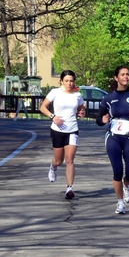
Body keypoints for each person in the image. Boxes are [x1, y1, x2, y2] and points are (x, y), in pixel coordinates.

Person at [96, 65, 129, 214]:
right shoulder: (108, 98)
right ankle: (120, 202)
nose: (126, 77)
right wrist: (103, 120)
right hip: (113, 138)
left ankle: (126, 185)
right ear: (116, 78)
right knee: (117, 171)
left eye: (128, 74)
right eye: (122, 74)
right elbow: (99, 119)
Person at [40, 70, 86, 200]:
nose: (69, 83)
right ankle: (53, 166)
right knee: (59, 160)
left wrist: (82, 112)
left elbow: (81, 108)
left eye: (71, 81)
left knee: (70, 159)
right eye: (66, 81)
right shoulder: (55, 92)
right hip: (57, 130)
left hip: (72, 129)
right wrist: (53, 117)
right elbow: (43, 107)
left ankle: (69, 188)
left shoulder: (77, 95)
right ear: (61, 81)